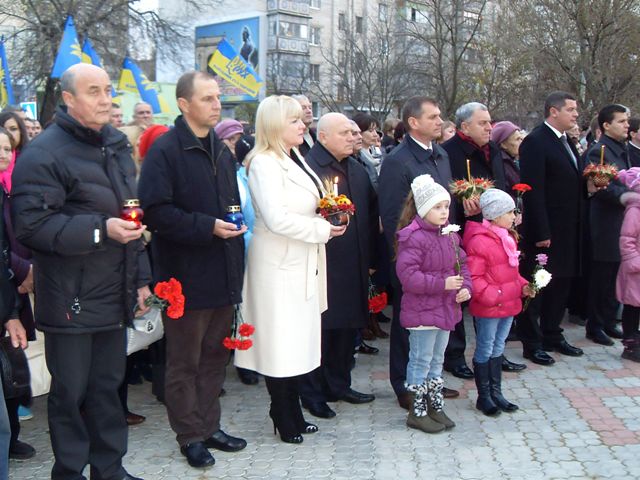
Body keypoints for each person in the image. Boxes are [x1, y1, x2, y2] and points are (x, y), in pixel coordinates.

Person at [11, 63, 151, 480]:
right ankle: (69, 472)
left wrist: (141, 278)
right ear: (69, 98)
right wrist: (100, 229)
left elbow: (132, 216)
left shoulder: (115, 145)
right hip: (69, 295)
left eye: (108, 90)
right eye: (94, 91)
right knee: (70, 394)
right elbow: (31, 226)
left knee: (107, 388)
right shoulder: (44, 152)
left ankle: (110, 469)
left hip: (113, 291)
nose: (106, 99)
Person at [138, 71, 247, 469]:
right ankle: (189, 436)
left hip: (223, 270)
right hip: (183, 276)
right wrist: (206, 226)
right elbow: (155, 212)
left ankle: (209, 426)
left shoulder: (222, 149)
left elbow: (230, 203)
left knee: (215, 357)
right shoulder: (166, 151)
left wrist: (232, 226)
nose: (217, 105)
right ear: (184, 104)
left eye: (218, 98)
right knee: (185, 361)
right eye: (207, 98)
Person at [234, 96, 346, 443]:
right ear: (274, 125)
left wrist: (331, 215)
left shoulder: (292, 157)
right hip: (278, 265)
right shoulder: (264, 162)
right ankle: (283, 413)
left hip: (302, 261)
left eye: (301, 119)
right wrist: (322, 229)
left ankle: (292, 410)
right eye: (294, 120)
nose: (302, 125)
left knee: (297, 341)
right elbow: (276, 218)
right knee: (280, 342)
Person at [378, 96, 460, 410]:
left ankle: (428, 380)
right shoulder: (398, 160)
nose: (440, 121)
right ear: (414, 122)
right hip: (414, 255)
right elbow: (392, 215)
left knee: (437, 320)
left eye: (440, 116)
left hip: (442, 250)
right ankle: (405, 385)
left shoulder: (440, 154)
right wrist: (405, 257)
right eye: (433, 117)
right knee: (409, 321)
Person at [301, 112, 378, 419]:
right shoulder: (309, 168)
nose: (353, 137)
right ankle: (312, 392)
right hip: (324, 264)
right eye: (345, 133)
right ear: (323, 137)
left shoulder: (356, 169)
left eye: (353, 132)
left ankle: (339, 383)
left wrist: (371, 259)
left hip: (354, 262)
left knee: (347, 329)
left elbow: (370, 216)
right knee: (321, 332)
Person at [442, 102, 517, 378]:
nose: (489, 127)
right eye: (482, 123)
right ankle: (455, 355)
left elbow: (502, 186)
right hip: (460, 231)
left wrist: (509, 212)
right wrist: (460, 203)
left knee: (492, 288)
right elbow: (443, 194)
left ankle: (493, 353)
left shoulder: (493, 149)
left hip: (492, 231)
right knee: (460, 292)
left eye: (490, 122)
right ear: (464, 126)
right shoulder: (448, 152)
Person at [395, 174, 471, 433]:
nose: (444, 212)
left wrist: (465, 288)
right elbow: (408, 276)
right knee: (420, 359)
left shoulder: (450, 235)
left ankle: (434, 405)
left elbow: (463, 265)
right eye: (437, 207)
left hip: (445, 309)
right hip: (422, 313)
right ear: (423, 208)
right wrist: (442, 284)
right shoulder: (413, 237)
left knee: (437, 360)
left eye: (446, 206)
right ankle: (416, 411)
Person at [517, 91, 585, 365]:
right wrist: (541, 231)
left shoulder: (565, 141)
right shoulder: (536, 141)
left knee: (561, 284)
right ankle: (532, 342)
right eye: (570, 109)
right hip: (546, 231)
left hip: (568, 229)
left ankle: (552, 333)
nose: (576, 114)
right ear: (553, 112)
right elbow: (533, 190)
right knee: (538, 286)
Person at [463, 189, 535, 416]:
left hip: (508, 302)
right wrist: (496, 295)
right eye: (510, 212)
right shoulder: (479, 241)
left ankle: (496, 392)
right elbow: (475, 278)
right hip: (491, 306)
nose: (514, 216)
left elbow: (511, 274)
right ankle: (484, 396)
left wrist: (524, 285)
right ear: (495, 215)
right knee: (485, 347)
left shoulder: (507, 238)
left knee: (498, 347)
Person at [0, 128, 36, 460]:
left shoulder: (10, 186)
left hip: (12, 286)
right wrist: (21, 270)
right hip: (10, 279)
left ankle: (10, 436)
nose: (3, 154)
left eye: (7, 148)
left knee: (12, 363)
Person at [584, 104, 632, 346]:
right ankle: (595, 325)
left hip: (622, 221)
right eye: (621, 121)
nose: (627, 125)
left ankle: (609, 320)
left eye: (627, 121)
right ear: (606, 125)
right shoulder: (599, 152)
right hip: (606, 223)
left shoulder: (621, 148)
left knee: (616, 274)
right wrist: (628, 196)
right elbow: (602, 187)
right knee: (602, 276)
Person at [616, 167, 640, 361]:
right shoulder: (635, 210)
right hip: (636, 269)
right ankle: (630, 343)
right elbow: (627, 239)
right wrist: (634, 261)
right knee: (632, 306)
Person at [491, 121, 524, 193]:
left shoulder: (512, 160)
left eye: (521, 139)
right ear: (503, 144)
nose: (522, 142)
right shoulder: (501, 165)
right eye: (517, 139)